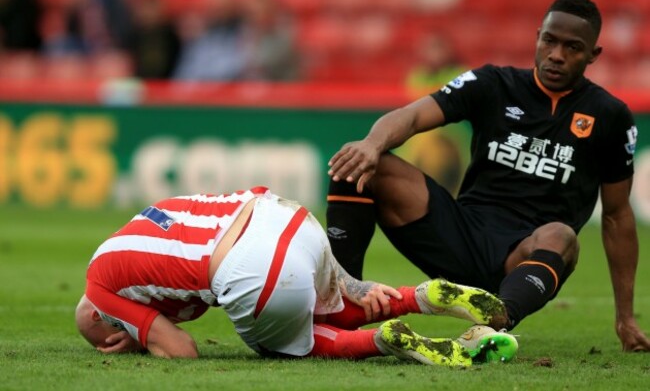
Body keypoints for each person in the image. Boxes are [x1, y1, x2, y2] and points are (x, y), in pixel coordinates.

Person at [325, 0, 650, 352]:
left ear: (593, 54)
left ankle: (494, 323)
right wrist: (372, 143)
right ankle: (340, 304)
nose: (557, 54)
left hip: (524, 257)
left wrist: (626, 317)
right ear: (537, 36)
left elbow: (618, 216)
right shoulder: (494, 84)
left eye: (573, 47)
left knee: (562, 235)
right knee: (355, 161)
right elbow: (414, 115)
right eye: (550, 41)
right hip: (461, 234)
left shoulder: (610, 115)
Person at [75, 186, 518, 365]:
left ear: (100, 319)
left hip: (251, 265)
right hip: (290, 220)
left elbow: (182, 350)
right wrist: (352, 284)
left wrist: (142, 338)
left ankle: (385, 339)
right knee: (310, 304)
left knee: (281, 345)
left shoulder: (99, 288)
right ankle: (420, 297)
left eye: (111, 335)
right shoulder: (149, 218)